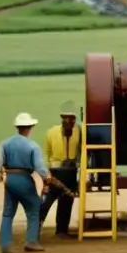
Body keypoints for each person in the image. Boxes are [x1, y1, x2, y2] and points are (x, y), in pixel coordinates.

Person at [0, 112, 51, 253]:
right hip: (24, 178)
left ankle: (5, 245)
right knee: (34, 207)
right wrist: (47, 177)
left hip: (10, 178)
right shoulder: (33, 146)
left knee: (8, 213)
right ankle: (31, 241)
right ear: (30, 127)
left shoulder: (5, 143)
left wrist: (1, 178)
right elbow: (39, 167)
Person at [39, 100, 81, 238]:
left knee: (67, 200)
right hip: (56, 171)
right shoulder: (51, 132)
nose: (69, 121)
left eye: (72, 119)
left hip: (71, 171)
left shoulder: (79, 132)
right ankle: (36, 225)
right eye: (66, 118)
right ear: (62, 119)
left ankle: (62, 229)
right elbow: (48, 153)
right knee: (48, 200)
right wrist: (46, 175)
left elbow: (82, 152)